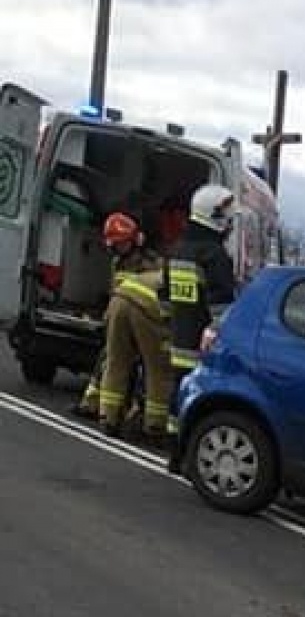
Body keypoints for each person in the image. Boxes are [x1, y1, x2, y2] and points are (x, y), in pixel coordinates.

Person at [165, 184, 237, 435]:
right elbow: (222, 304)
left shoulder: (178, 249)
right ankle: (183, 447)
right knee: (197, 398)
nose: (230, 224)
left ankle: (173, 445)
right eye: (227, 217)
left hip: (177, 341)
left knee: (177, 391)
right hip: (202, 346)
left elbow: (164, 296)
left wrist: (170, 325)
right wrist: (220, 333)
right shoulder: (214, 255)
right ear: (213, 216)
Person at [95, 212, 173, 444]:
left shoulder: (150, 262)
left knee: (117, 362)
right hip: (140, 313)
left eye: (121, 243)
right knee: (157, 368)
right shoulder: (125, 262)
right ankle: (153, 426)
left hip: (130, 313)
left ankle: (110, 417)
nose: (117, 248)